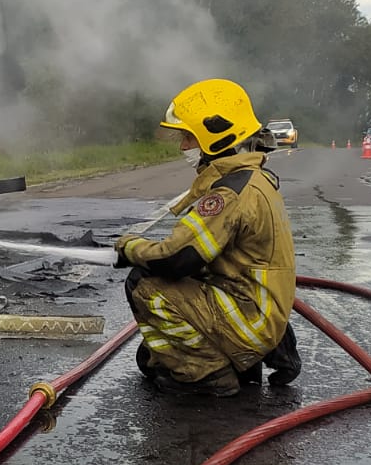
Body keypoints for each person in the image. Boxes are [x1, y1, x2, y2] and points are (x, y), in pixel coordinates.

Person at [113, 79, 300, 397]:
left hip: (251, 320)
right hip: (263, 315)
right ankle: (253, 357)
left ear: (214, 137)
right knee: (150, 360)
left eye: (188, 137)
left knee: (143, 283)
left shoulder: (230, 192)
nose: (183, 147)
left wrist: (129, 247)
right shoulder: (253, 179)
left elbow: (177, 258)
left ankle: (207, 374)